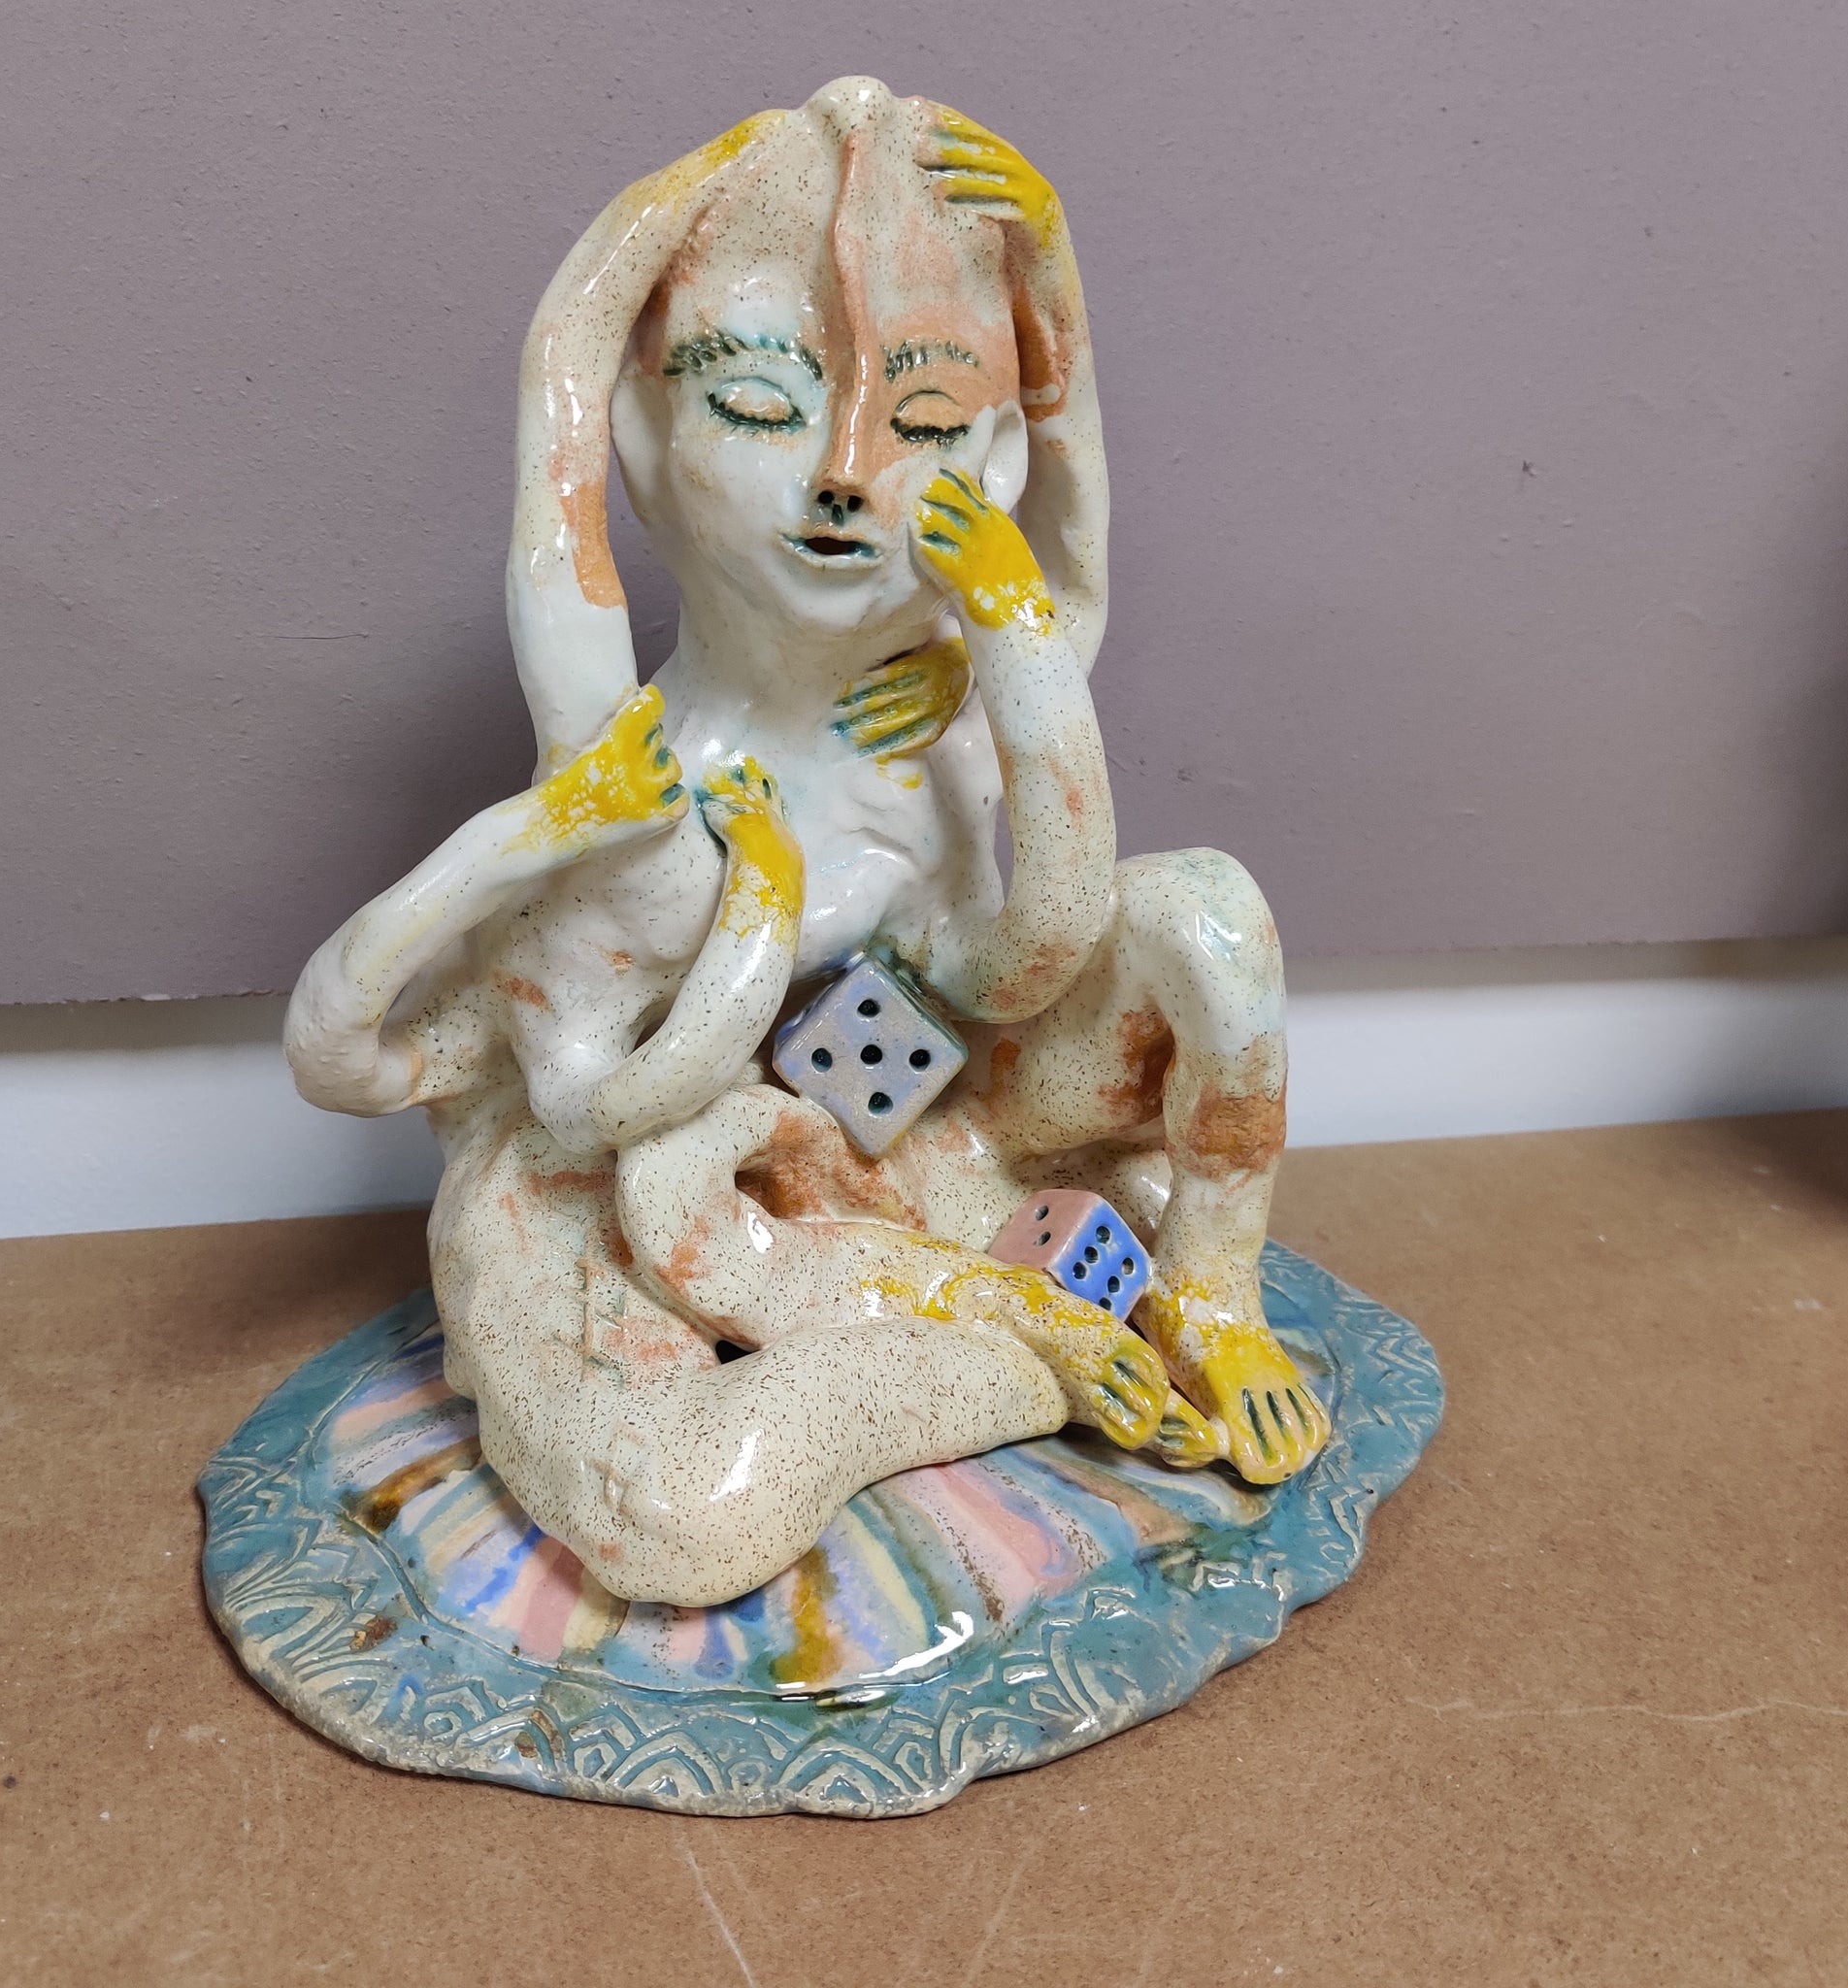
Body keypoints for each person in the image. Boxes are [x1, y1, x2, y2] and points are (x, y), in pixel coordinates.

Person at [285, 79, 1326, 1607]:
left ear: (986, 467)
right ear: (648, 441)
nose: (847, 474)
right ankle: (1020, 1348)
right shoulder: (626, 768)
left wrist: (1045, 270)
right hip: (686, 1193)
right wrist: (678, 204)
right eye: (761, 410)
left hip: (955, 1136)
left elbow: (1068, 589)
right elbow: (562, 396)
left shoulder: (948, 699)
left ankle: (1207, 1302)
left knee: (1210, 919)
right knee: (681, 1521)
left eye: (923, 428)